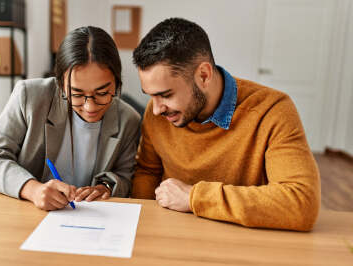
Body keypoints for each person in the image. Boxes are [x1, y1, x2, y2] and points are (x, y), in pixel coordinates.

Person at [131, 18, 320, 231]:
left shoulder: (272, 111)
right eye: (150, 96)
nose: (156, 109)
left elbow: (301, 203)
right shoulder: (158, 113)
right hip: (173, 236)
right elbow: (147, 171)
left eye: (165, 95)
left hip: (243, 241)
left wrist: (195, 197)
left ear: (203, 75)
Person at [0, 26, 141, 211]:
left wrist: (105, 188)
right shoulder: (29, 97)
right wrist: (32, 189)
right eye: (76, 94)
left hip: (81, 219)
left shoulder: (128, 120)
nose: (90, 107)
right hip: (19, 212)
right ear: (61, 85)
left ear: (118, 84)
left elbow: (124, 177)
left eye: (102, 93)